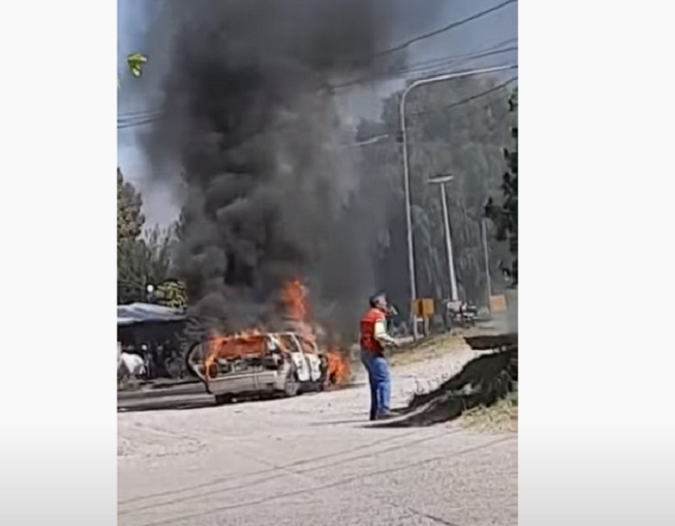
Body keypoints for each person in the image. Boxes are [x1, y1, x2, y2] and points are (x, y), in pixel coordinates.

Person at [359, 292, 399, 420]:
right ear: (377, 303)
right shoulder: (378, 315)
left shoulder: (368, 315)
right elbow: (379, 334)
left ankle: (375, 412)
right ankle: (384, 410)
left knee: (374, 383)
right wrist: (392, 341)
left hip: (365, 353)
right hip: (374, 353)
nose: (386, 303)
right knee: (383, 380)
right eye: (384, 301)